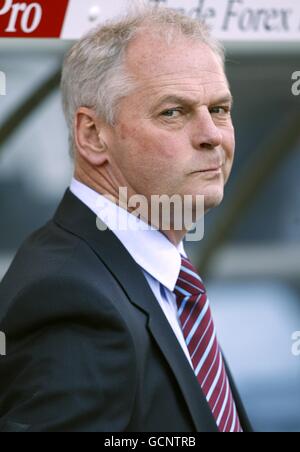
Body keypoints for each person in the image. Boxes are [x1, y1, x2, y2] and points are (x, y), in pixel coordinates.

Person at [0, 4, 252, 432]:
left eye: (220, 109)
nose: (212, 135)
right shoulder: (70, 298)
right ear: (93, 136)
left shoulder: (157, 275)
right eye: (173, 112)